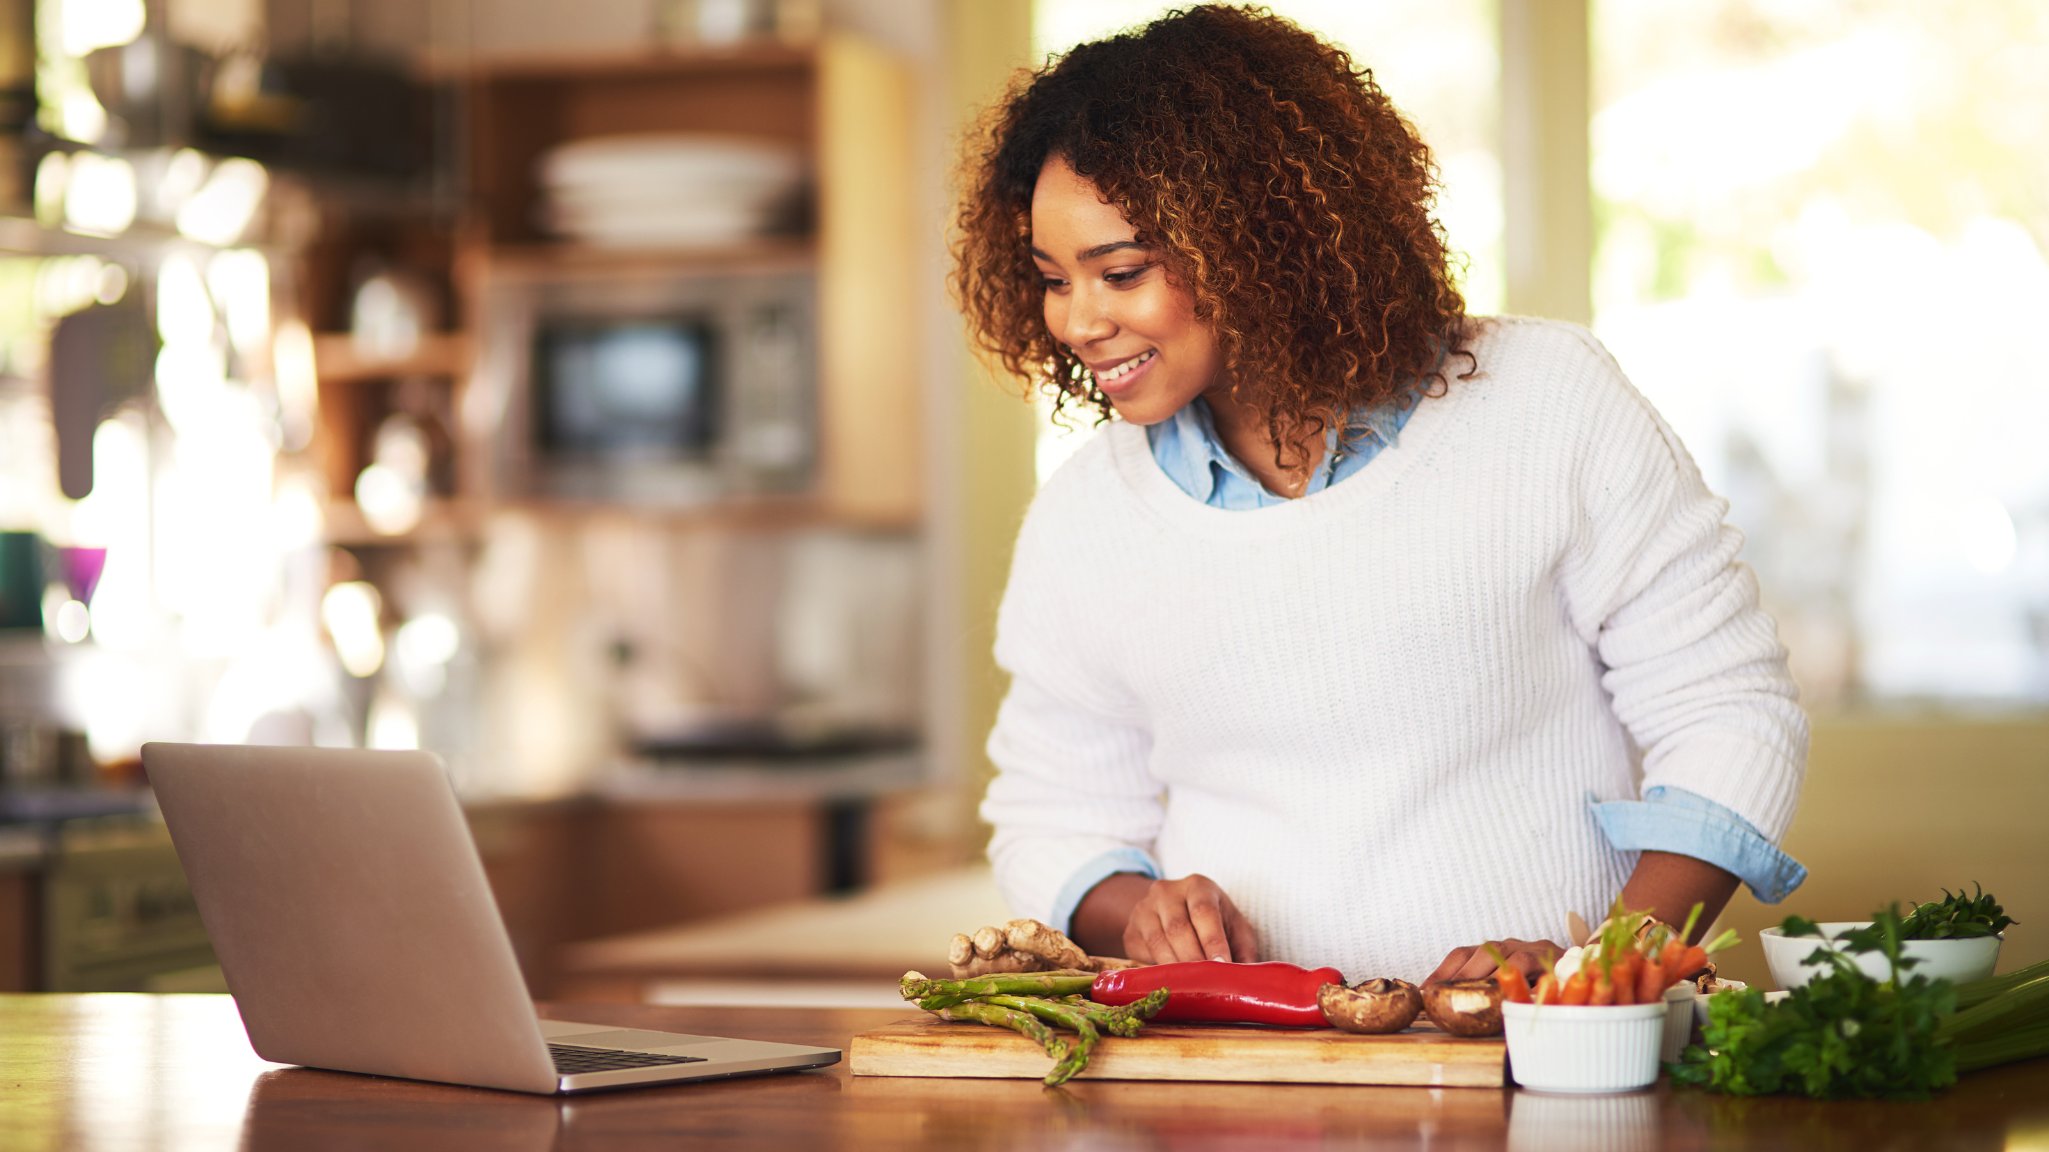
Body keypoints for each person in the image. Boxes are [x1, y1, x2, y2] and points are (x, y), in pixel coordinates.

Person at [955, 5, 1808, 986]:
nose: (1078, 319)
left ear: (1260, 240)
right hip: (1253, 1090)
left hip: (1549, 1064)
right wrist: (1142, 908)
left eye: (1122, 272)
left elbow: (1728, 712)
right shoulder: (1087, 519)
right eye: (1053, 278)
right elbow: (1049, 818)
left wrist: (1602, 970)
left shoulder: (1547, 401)